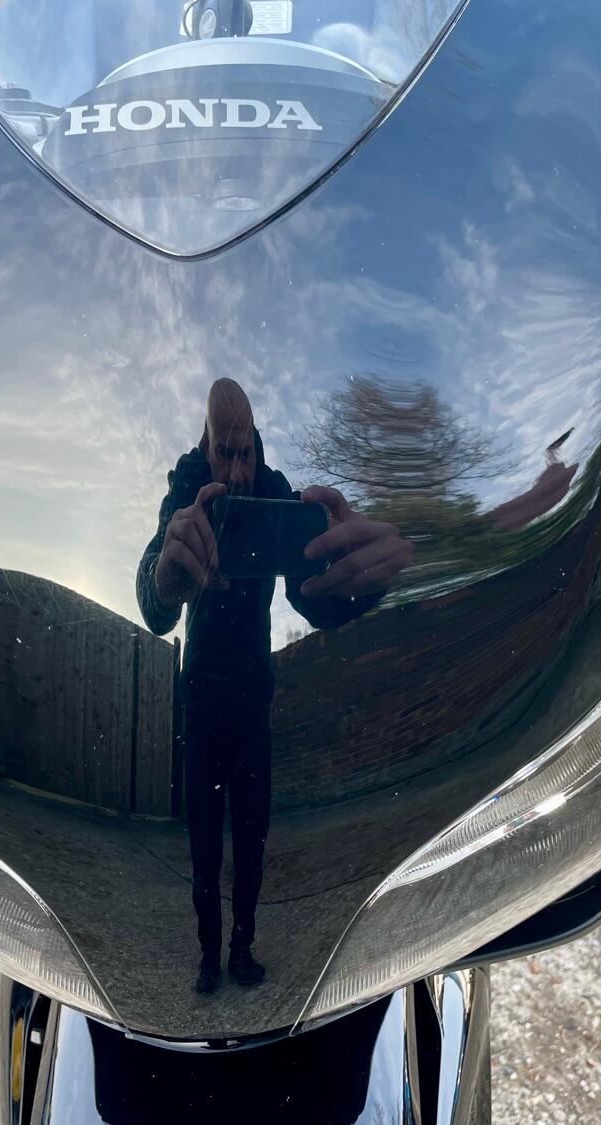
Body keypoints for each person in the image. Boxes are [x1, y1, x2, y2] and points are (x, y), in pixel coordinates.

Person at [136, 378, 411, 994]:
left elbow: (313, 601)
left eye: (246, 453)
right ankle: (208, 957)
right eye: (224, 453)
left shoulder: (275, 492)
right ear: (206, 446)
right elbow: (155, 606)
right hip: (201, 700)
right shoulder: (186, 492)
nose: (236, 470)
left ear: (257, 445)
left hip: (252, 702)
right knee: (204, 846)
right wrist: (165, 572)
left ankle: (242, 951)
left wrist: (365, 582)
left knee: (252, 841)